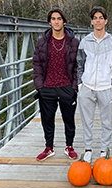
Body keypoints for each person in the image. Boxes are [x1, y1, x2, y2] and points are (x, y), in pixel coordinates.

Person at [33, 8, 79, 161]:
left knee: (69, 119)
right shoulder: (42, 42)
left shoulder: (73, 42)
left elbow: (78, 65)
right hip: (47, 87)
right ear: (49, 22)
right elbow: (37, 64)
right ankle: (49, 147)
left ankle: (69, 146)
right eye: (53, 19)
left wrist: (75, 87)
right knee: (47, 119)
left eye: (59, 19)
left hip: (67, 86)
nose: (56, 21)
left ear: (64, 22)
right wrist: (40, 86)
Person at [77, 6, 112, 164]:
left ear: (106, 20)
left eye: (101, 17)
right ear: (91, 21)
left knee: (107, 122)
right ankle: (88, 149)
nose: (98, 20)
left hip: (105, 88)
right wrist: (80, 85)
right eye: (95, 18)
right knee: (86, 121)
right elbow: (79, 64)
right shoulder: (84, 41)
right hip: (87, 87)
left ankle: (104, 150)